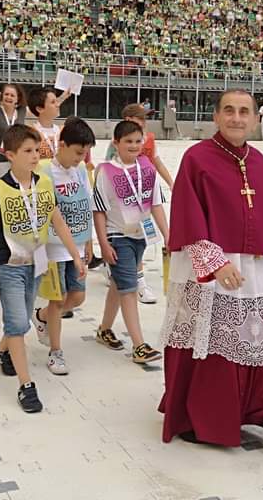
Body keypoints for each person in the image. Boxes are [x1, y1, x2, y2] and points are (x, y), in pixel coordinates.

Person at [159, 88, 263, 454]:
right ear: (217, 117)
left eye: (244, 112)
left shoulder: (257, 161)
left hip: (256, 268)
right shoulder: (197, 158)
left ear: (255, 119)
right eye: (229, 111)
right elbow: (188, 214)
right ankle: (206, 420)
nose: (237, 118)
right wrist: (215, 263)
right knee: (217, 350)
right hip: (214, 271)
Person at [0, 124, 86, 413]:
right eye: (28, 151)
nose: (35, 156)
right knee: (19, 323)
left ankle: (2, 349)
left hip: (37, 263)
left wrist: (76, 256)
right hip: (9, 266)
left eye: (37, 150)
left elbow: (57, 221)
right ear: (10, 155)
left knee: (19, 320)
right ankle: (26, 385)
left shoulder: (44, 183)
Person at [92, 120, 169, 363]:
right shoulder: (105, 171)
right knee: (129, 288)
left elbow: (155, 202)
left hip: (141, 235)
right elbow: (99, 210)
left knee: (119, 283)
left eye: (138, 141)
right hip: (118, 237)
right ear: (116, 143)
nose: (134, 146)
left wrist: (169, 235)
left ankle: (104, 329)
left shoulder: (147, 167)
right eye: (128, 141)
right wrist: (103, 244)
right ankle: (139, 345)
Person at [32, 117, 96, 375]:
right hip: (55, 247)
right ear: (62, 145)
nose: (81, 158)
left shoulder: (80, 171)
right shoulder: (45, 170)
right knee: (57, 300)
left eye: (85, 153)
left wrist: (89, 241)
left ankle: (42, 317)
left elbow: (85, 205)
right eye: (78, 152)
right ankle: (55, 352)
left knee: (77, 296)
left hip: (78, 245)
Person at [27, 86, 74, 160]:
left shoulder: (64, 131)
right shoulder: (30, 133)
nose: (58, 105)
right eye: (53, 102)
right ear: (39, 109)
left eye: (56, 101)